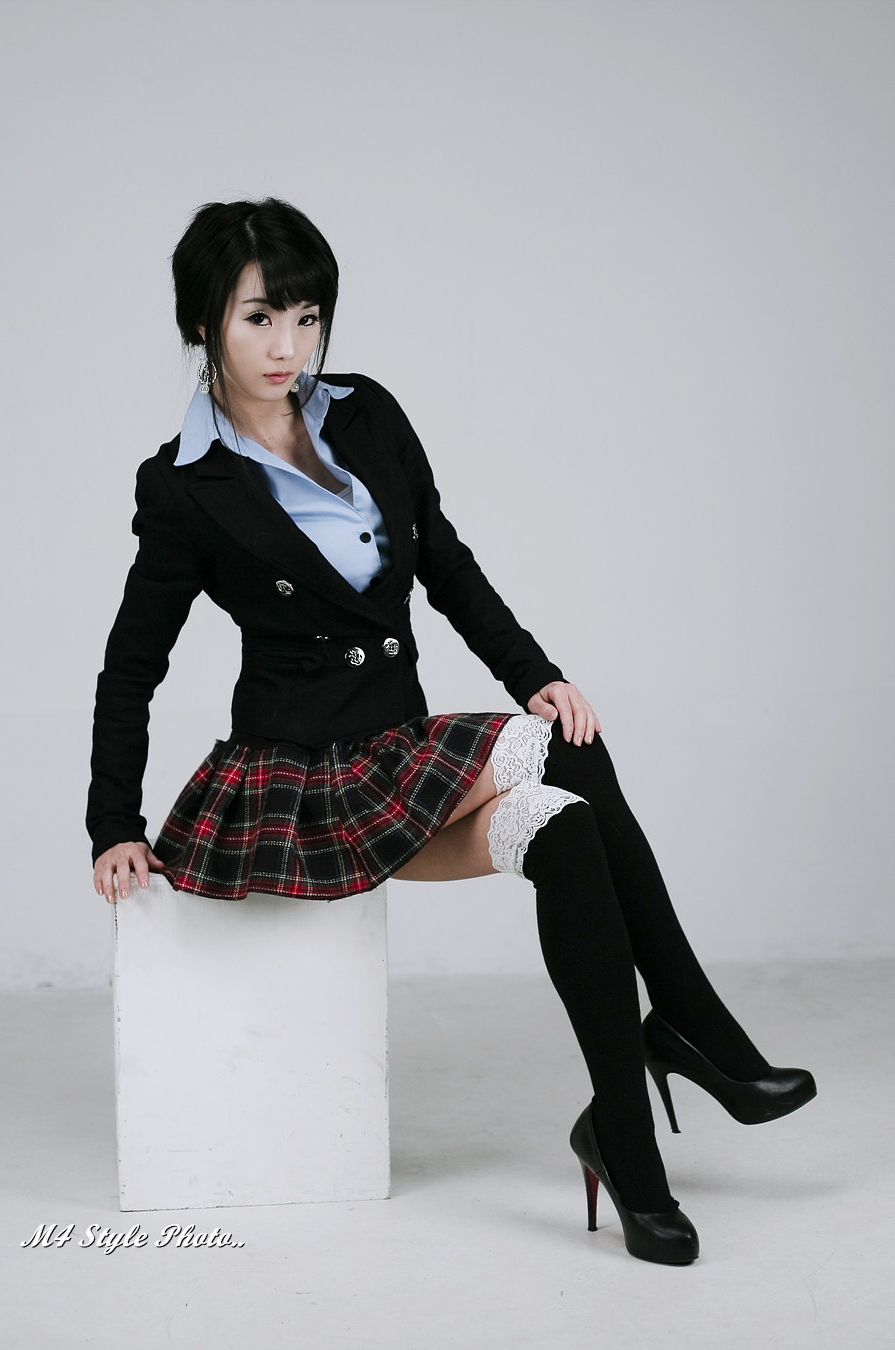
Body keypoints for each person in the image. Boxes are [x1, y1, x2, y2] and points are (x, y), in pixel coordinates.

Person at [87, 197, 816, 1265]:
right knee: (572, 760)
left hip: (401, 755)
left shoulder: (367, 415)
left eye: (306, 316)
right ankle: (693, 1028)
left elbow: (446, 564)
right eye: (258, 318)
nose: (288, 345)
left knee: (567, 823)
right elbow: (130, 667)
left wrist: (537, 676)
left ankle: (624, 1138)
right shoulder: (185, 486)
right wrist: (112, 821)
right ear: (204, 323)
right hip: (305, 780)